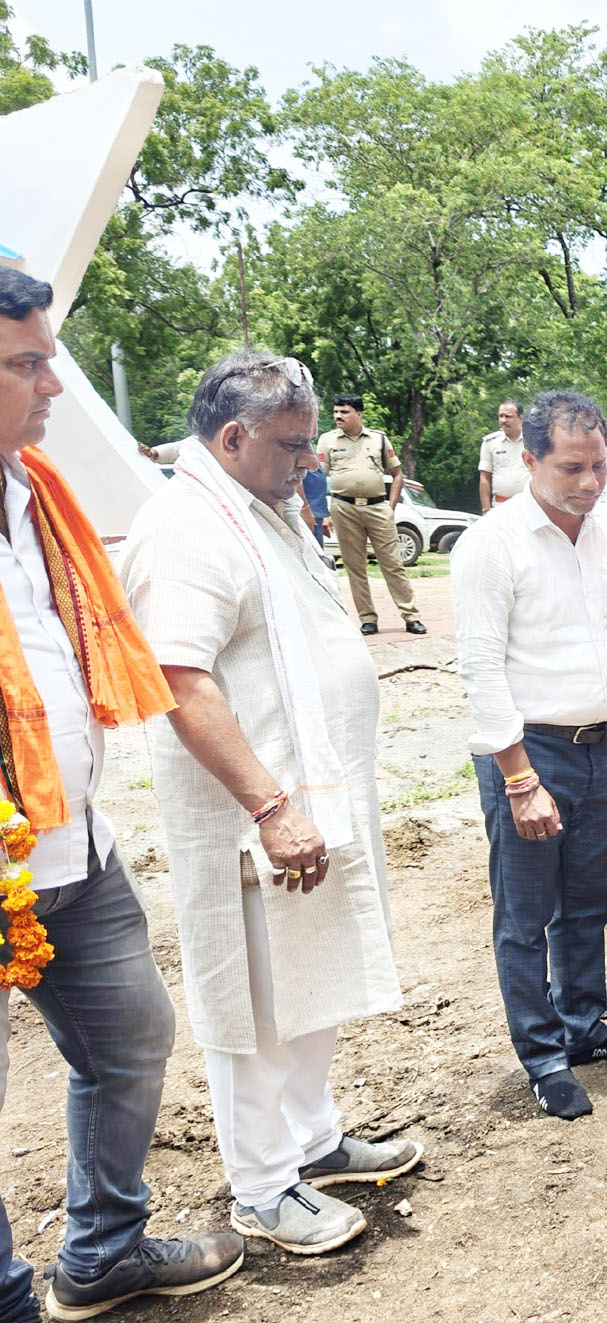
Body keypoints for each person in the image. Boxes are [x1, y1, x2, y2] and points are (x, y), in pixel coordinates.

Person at [0, 267, 242, 1323]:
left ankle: (100, 1253)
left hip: (72, 850)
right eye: (27, 364)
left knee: (132, 1034)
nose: (54, 383)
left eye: (48, 357)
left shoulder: (35, 493)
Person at [123, 350, 424, 1250]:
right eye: (293, 445)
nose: (311, 460)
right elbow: (179, 679)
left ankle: (312, 1139)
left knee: (310, 977)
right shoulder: (186, 528)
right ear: (231, 437)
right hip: (250, 820)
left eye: (311, 443)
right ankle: (261, 1185)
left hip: (311, 802)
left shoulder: (266, 508)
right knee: (254, 1003)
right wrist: (270, 807)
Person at [452, 390, 607, 1118]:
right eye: (572, 468)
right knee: (525, 915)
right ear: (529, 459)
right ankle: (542, 1057)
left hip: (601, 743)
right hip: (529, 752)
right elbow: (480, 669)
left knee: (587, 903)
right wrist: (518, 780)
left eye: (599, 465)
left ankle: (582, 1026)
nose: (591, 481)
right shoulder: (493, 544)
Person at [318, 393, 426, 636]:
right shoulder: (327, 440)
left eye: (344, 412)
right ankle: (367, 619)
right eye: (336, 412)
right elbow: (318, 477)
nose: (338, 416)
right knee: (355, 567)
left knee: (393, 564)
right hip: (343, 508)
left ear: (358, 414)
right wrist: (322, 512)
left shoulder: (379, 439)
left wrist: (391, 506)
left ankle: (411, 616)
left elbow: (397, 475)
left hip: (377, 508)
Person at [477, 398, 528, 512]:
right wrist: (486, 509)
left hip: (530, 505)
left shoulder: (533, 441)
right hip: (501, 506)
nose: (503, 420)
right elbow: (484, 477)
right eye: (501, 416)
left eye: (508, 416)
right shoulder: (490, 442)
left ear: (520, 418)